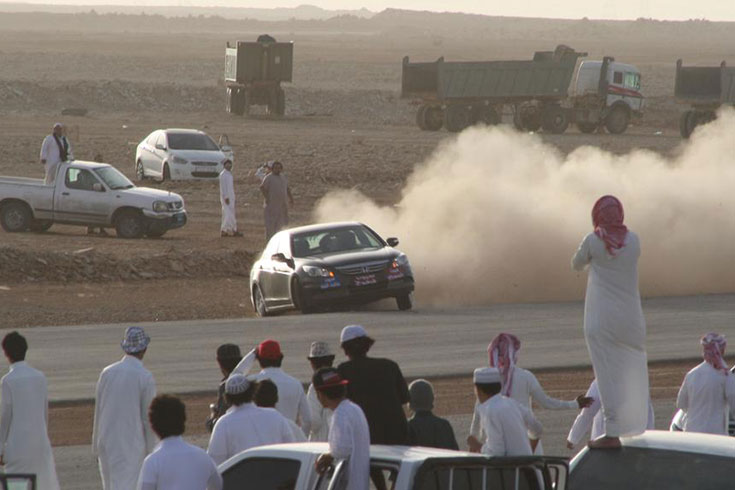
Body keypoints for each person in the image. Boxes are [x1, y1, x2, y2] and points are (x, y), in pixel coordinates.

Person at [571, 195, 649, 449]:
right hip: (631, 319)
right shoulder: (634, 240)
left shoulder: (594, 241)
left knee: (605, 374)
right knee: (634, 371)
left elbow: (576, 264)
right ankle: (638, 428)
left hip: (601, 318)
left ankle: (613, 432)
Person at [468, 333, 593, 454]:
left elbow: (477, 423)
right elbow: (546, 404)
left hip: (496, 450)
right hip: (526, 445)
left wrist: (475, 444)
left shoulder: (487, 381)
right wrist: (574, 404)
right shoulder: (525, 378)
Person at [93, 327, 157, 490]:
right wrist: (153, 451)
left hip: (106, 442)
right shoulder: (144, 376)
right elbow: (148, 418)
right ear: (144, 349)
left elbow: (98, 411)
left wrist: (95, 446)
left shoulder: (107, 372)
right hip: (130, 445)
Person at [0, 332, 60, 490]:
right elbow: (44, 413)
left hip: (17, 448)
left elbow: (5, 417)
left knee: (16, 485)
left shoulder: (7, 381)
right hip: (39, 444)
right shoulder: (40, 377)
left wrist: (0, 448)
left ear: (6, 353)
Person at [337, 325, 410, 446]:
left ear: (345, 350)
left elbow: (342, 403)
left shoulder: (343, 370)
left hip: (365, 436)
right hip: (397, 434)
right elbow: (405, 397)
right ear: (367, 346)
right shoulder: (390, 366)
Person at [137, 395, 222, 490]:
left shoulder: (152, 461)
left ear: (153, 426)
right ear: (183, 420)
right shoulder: (203, 457)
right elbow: (217, 486)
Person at [207, 374, 295, 465]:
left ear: (227, 397)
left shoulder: (224, 423)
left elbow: (215, 461)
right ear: (252, 391)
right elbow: (291, 449)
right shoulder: (275, 415)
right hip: (278, 476)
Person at [313, 367, 370, 490]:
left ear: (320, 394)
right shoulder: (355, 409)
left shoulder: (340, 414)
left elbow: (341, 451)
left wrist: (327, 456)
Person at [566, 378, 655, 449]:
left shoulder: (602, 380)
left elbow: (588, 412)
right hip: (636, 441)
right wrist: (648, 435)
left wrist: (573, 438)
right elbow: (647, 413)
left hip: (606, 441)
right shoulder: (638, 380)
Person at [472, 367, 543, 456]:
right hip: (527, 466)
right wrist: (529, 452)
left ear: (479, 390)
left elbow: (496, 452)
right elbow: (537, 429)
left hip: (511, 468)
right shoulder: (512, 403)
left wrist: (477, 446)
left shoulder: (490, 410)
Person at [676, 333, 735, 435]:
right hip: (715, 433)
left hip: (692, 431)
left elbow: (681, 403)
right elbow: (733, 400)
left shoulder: (692, 374)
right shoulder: (725, 375)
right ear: (721, 351)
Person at [253, 339, 311, 435]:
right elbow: (308, 420)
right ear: (281, 358)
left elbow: (233, 378)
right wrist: (299, 437)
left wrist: (251, 356)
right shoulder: (295, 384)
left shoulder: (252, 382)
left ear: (259, 359)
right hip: (288, 441)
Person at [407, 379, 458, 450]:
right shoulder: (444, 425)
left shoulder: (406, 427)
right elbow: (455, 454)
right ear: (432, 399)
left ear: (410, 401)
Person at [205, 344, 242, 433]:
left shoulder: (226, 386)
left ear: (219, 362)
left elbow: (217, 426)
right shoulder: (249, 382)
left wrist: (212, 416)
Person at [306, 341, 335, 442]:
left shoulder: (314, 388)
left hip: (320, 442)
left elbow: (314, 422)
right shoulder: (339, 381)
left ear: (313, 364)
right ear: (331, 361)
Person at [260, 160, 294, 241]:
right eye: (275, 168)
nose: (277, 170)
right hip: (271, 205)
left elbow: (287, 188)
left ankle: (281, 240)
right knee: (271, 224)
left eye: (279, 168)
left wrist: (291, 198)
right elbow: (262, 187)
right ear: (272, 169)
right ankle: (269, 241)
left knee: (282, 223)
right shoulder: (268, 177)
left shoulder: (283, 177)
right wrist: (267, 198)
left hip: (282, 205)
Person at [219, 160, 241, 237]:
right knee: (228, 214)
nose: (229, 166)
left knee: (230, 213)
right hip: (226, 198)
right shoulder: (223, 175)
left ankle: (233, 229)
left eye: (230, 164)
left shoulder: (229, 174)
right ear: (224, 165)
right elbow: (223, 188)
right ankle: (225, 230)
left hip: (231, 197)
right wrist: (226, 197)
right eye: (227, 164)